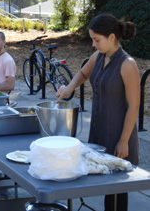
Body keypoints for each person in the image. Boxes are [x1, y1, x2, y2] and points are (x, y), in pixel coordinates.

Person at [56, 14, 140, 211]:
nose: (93, 44)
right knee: (105, 187)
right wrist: (69, 88)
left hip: (119, 135)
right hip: (100, 130)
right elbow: (83, 73)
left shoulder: (128, 64)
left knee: (118, 193)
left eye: (96, 40)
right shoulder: (98, 56)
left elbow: (134, 106)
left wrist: (123, 140)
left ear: (111, 37)